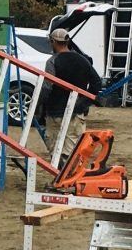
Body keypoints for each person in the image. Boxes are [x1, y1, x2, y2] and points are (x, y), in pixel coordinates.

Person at [37, 25, 101, 154]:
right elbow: (97, 83)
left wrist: (38, 106)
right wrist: (83, 103)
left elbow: (46, 88)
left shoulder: (52, 62)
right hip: (76, 113)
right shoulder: (83, 60)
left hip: (56, 113)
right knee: (74, 152)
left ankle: (62, 173)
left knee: (56, 151)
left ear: (53, 42)